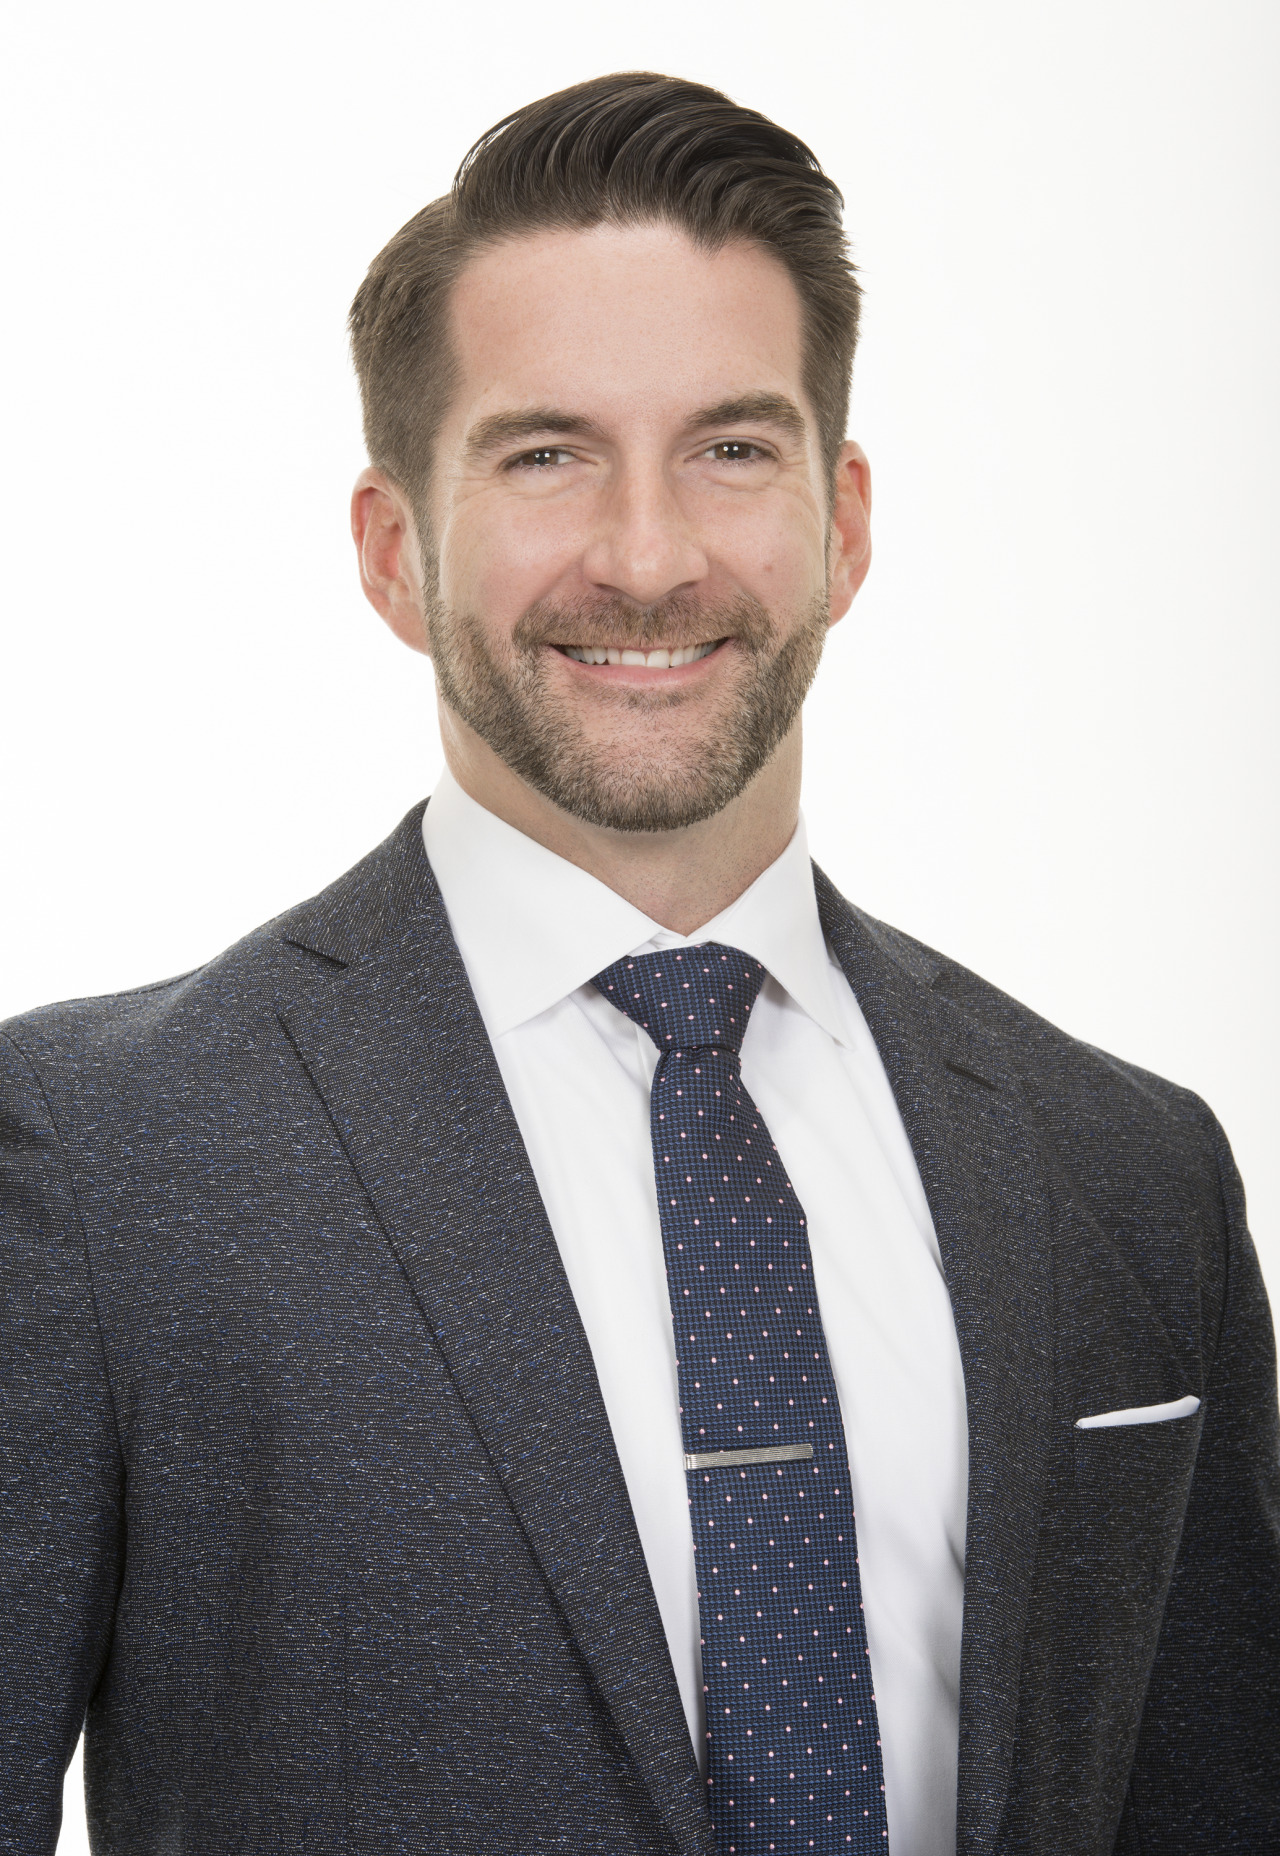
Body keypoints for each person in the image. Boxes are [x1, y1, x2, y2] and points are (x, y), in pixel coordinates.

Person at [1, 70, 1276, 1856]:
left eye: (731, 449)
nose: (650, 556)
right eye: (547, 455)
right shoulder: (103, 1163)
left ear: (843, 523)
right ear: (393, 552)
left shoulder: (1126, 1171)